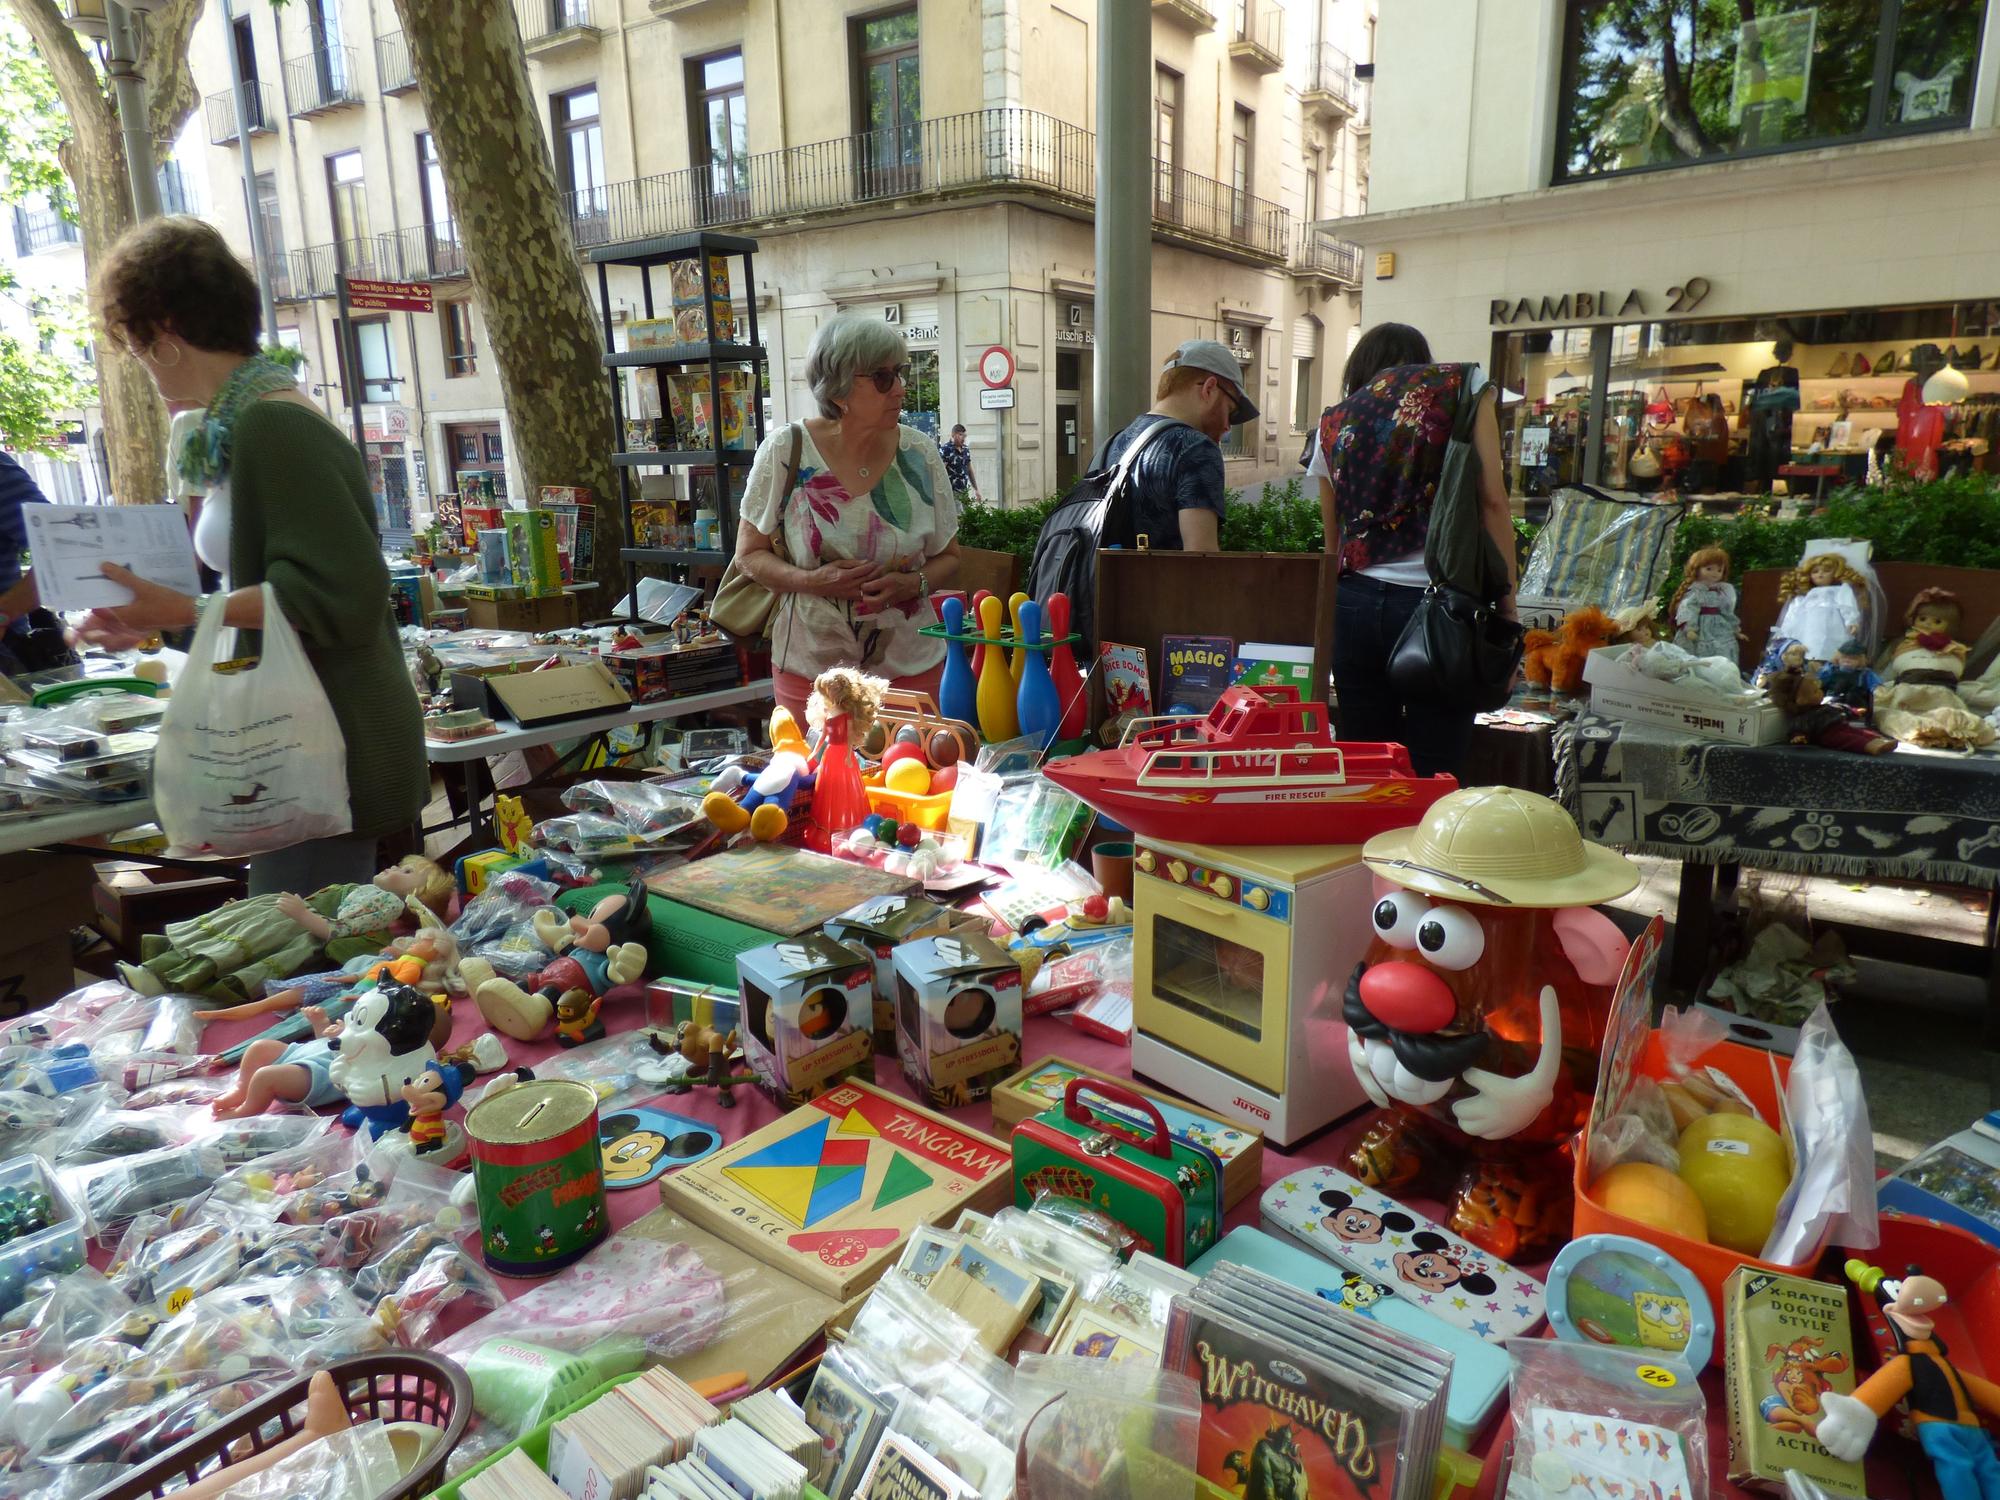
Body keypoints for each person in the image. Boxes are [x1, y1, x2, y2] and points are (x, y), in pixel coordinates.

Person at [72, 216, 427, 895]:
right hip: (296, 730)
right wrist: (159, 616)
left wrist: (181, 607)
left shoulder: (274, 423)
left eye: (137, 344)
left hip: (327, 739)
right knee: (301, 948)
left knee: (298, 959)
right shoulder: (232, 426)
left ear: (165, 329)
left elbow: (337, 599)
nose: (140, 364)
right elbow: (256, 590)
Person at [1309, 322, 1517, 778]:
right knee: (1434, 770)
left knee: (1365, 767)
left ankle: (1368, 850)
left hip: (1355, 606)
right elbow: (1493, 501)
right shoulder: (1461, 388)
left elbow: (1333, 544)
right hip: (1442, 606)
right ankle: (1422, 850)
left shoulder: (1334, 421)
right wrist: (1508, 611)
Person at [733, 313, 961, 728]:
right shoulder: (787, 450)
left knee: (913, 780)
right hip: (812, 667)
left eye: (900, 373)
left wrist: (913, 584)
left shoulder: (921, 454)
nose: (900, 388)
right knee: (818, 783)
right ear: (838, 390)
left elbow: (949, 555)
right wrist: (813, 581)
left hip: (911, 661)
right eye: (882, 377)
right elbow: (749, 555)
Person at [1093, 339, 1255, 552]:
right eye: (1230, 410)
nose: (1226, 426)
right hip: (1160, 586)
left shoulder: (1113, 443)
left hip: (1101, 586)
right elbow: (1200, 560)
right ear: (1209, 388)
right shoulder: (1195, 449)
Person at [939, 423, 983, 503]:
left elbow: (969, 470)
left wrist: (976, 489)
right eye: (960, 435)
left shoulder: (965, 449)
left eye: (964, 436)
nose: (963, 438)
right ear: (953, 435)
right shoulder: (946, 450)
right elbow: (941, 471)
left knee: (965, 514)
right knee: (958, 514)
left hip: (964, 491)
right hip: (951, 491)